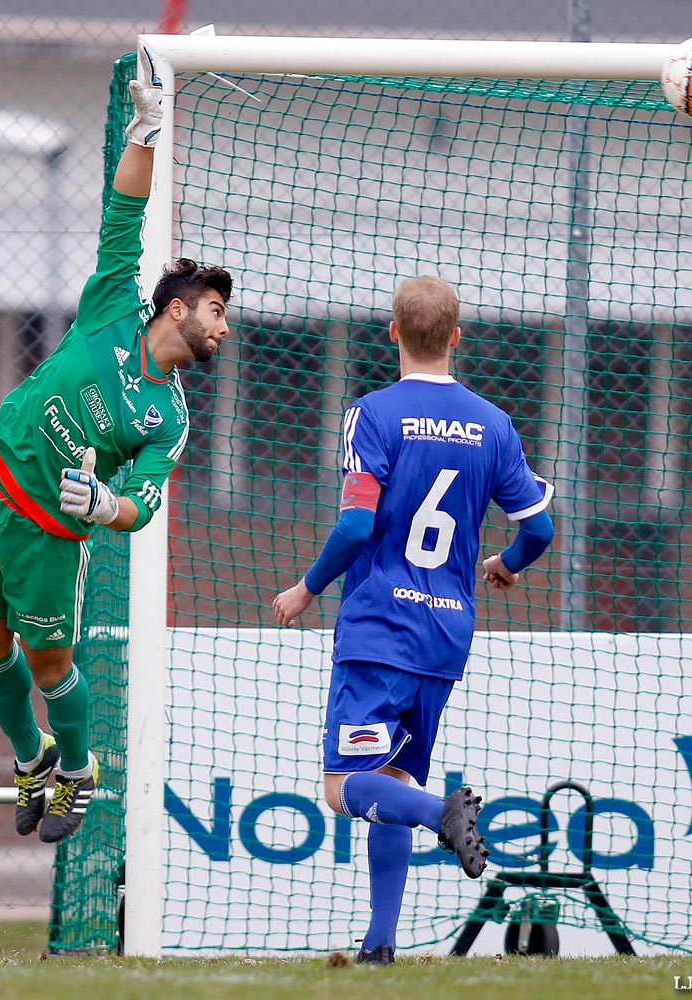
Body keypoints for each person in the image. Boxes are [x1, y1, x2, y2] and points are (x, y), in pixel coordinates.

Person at [0, 53, 233, 844]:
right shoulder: (112, 305)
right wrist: (144, 129)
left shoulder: (169, 415)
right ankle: (31, 758)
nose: (223, 326)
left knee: (47, 666)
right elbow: (123, 216)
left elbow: (144, 502)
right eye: (215, 309)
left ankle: (78, 768)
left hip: (51, 529)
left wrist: (107, 504)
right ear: (174, 308)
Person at [272, 275, 554, 965]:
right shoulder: (493, 423)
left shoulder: (373, 413)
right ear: (457, 336)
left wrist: (306, 590)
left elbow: (356, 523)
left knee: (344, 790)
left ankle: (443, 815)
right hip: (446, 632)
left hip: (378, 628)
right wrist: (508, 565)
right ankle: (379, 945)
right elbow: (540, 528)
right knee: (389, 781)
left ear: (393, 332)